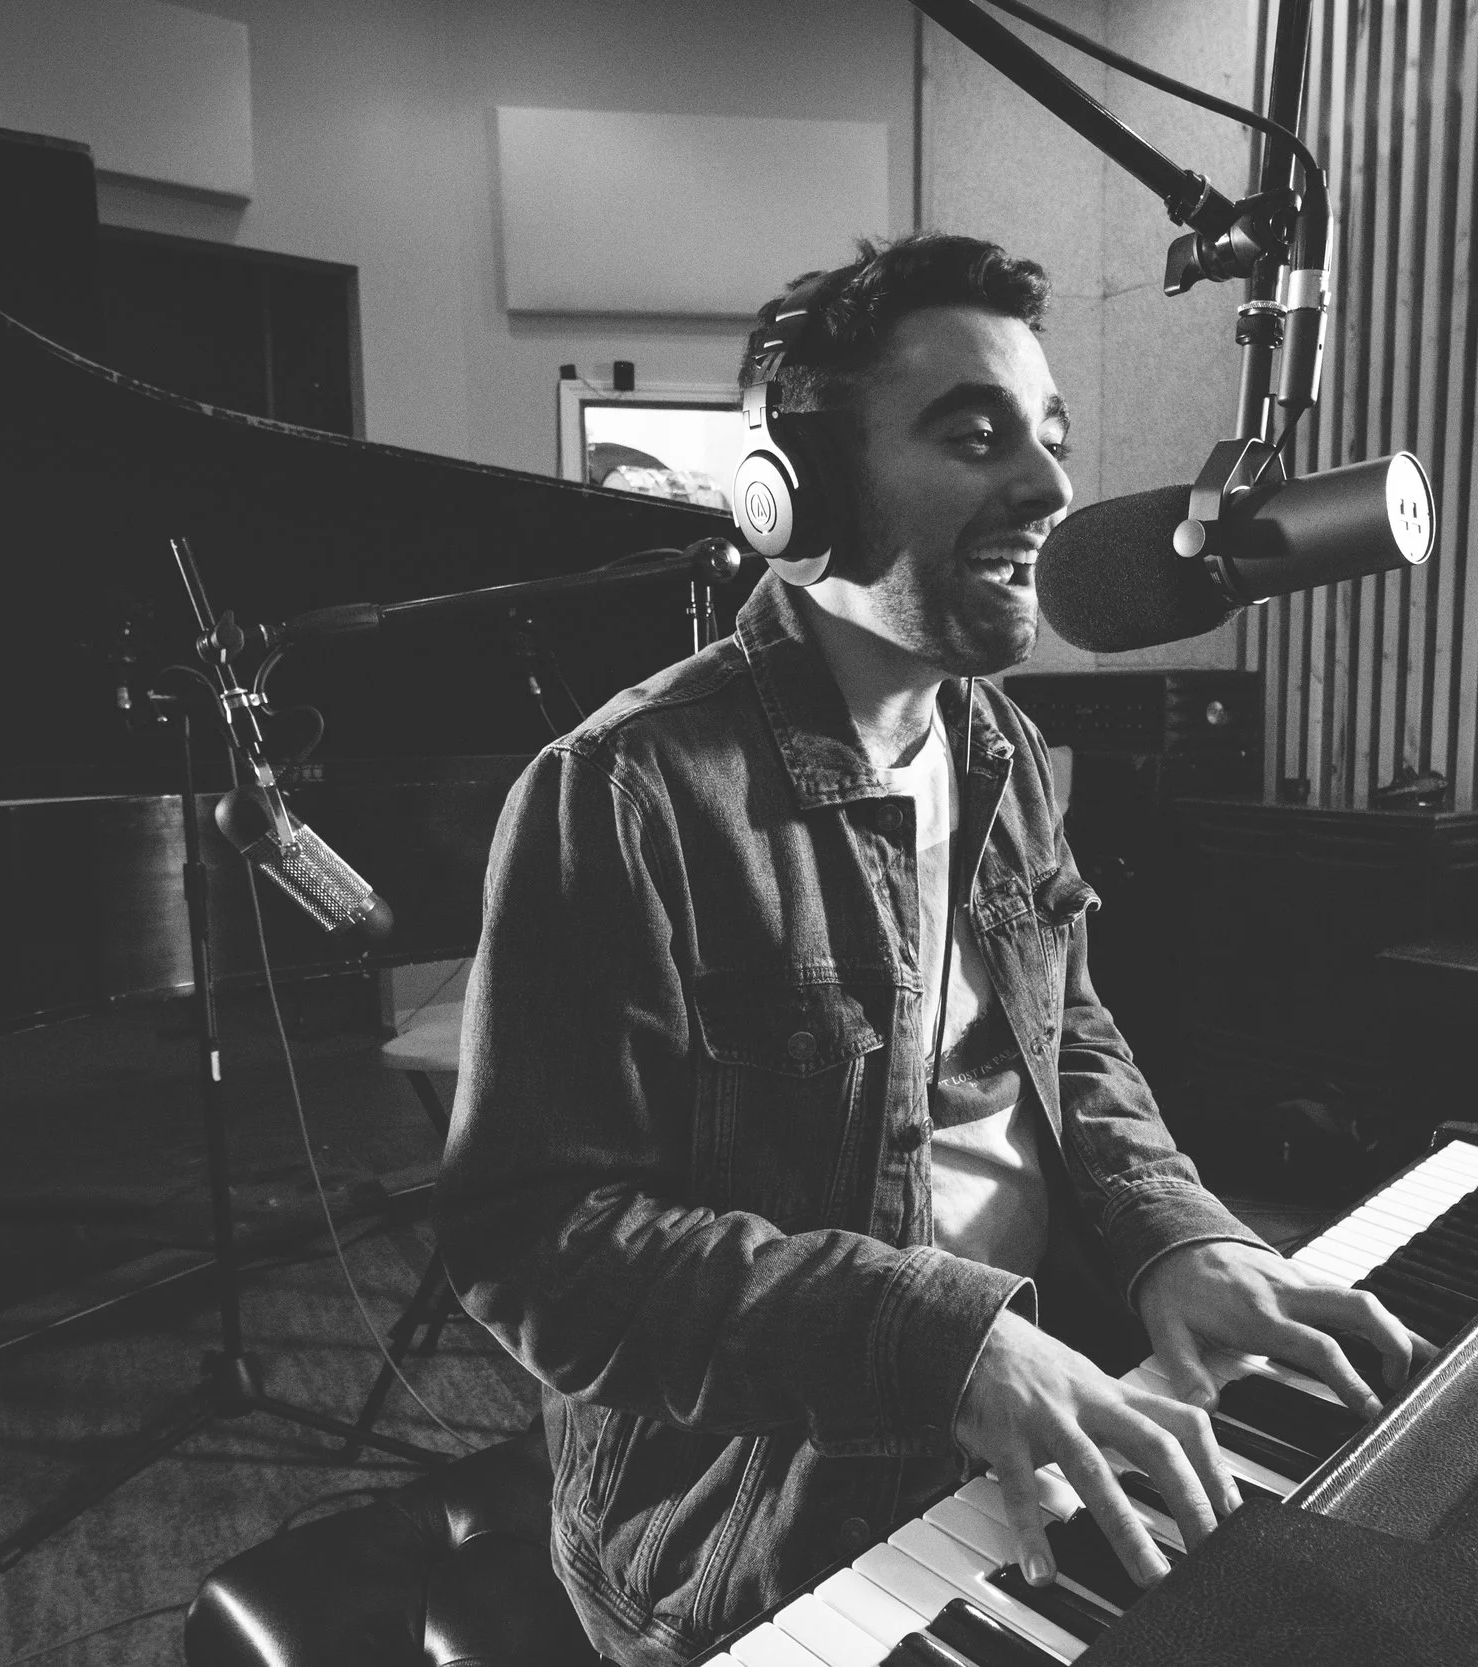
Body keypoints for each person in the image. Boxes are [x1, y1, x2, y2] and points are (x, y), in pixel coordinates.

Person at [437, 232, 1427, 1664]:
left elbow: (1066, 1040)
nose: (1049, 486)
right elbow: (540, 1247)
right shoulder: (624, 793)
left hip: (1031, 1384)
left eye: (1051, 438)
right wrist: (945, 1344)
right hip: (758, 1508)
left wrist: (1175, 1234)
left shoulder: (1001, 746)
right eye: (974, 435)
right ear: (803, 497)